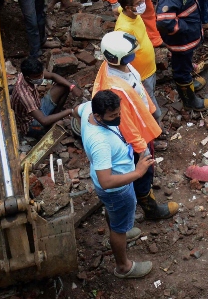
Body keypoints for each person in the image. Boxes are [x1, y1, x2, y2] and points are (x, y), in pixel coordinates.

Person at [90, 31, 179, 220]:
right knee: (143, 172)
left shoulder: (118, 66)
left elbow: (138, 89)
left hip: (141, 124)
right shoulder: (115, 88)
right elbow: (126, 124)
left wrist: (153, 111)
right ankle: (150, 209)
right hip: (136, 136)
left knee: (144, 170)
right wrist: (142, 150)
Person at [78, 90, 153, 279]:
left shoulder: (88, 107)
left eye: (118, 113)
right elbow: (106, 181)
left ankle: (119, 229)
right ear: (98, 116)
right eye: (112, 116)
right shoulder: (100, 142)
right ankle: (123, 267)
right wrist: (137, 172)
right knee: (119, 227)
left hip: (111, 189)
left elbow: (75, 110)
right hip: (117, 189)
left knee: (114, 214)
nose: (118, 118)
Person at [154, 0, 208, 110]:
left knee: (186, 63)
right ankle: (190, 101)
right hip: (182, 41)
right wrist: (186, 28)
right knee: (181, 70)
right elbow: (165, 23)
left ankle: (189, 83)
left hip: (188, 37)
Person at [110, 0, 160, 104]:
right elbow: (121, 58)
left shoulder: (129, 12)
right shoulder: (124, 30)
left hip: (149, 68)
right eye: (139, 3)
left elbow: (116, 10)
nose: (143, 3)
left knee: (151, 92)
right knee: (149, 103)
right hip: (142, 75)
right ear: (128, 7)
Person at [11, 56, 80, 138]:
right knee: (59, 125)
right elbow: (43, 121)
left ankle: (55, 115)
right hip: (31, 123)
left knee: (64, 86)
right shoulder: (25, 96)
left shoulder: (26, 73)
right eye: (37, 76)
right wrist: (70, 111)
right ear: (27, 77)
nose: (41, 77)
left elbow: (53, 76)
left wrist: (72, 86)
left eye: (41, 74)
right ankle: (47, 128)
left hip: (38, 106)